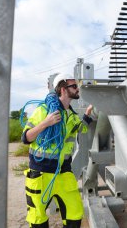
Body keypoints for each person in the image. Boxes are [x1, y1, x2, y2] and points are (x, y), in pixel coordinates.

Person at [21, 73, 93, 228]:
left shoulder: (71, 115)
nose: (77, 89)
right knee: (37, 219)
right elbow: (26, 138)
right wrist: (46, 123)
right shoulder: (44, 111)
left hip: (63, 172)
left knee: (75, 215)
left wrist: (87, 114)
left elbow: (78, 129)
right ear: (63, 89)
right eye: (74, 86)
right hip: (41, 174)